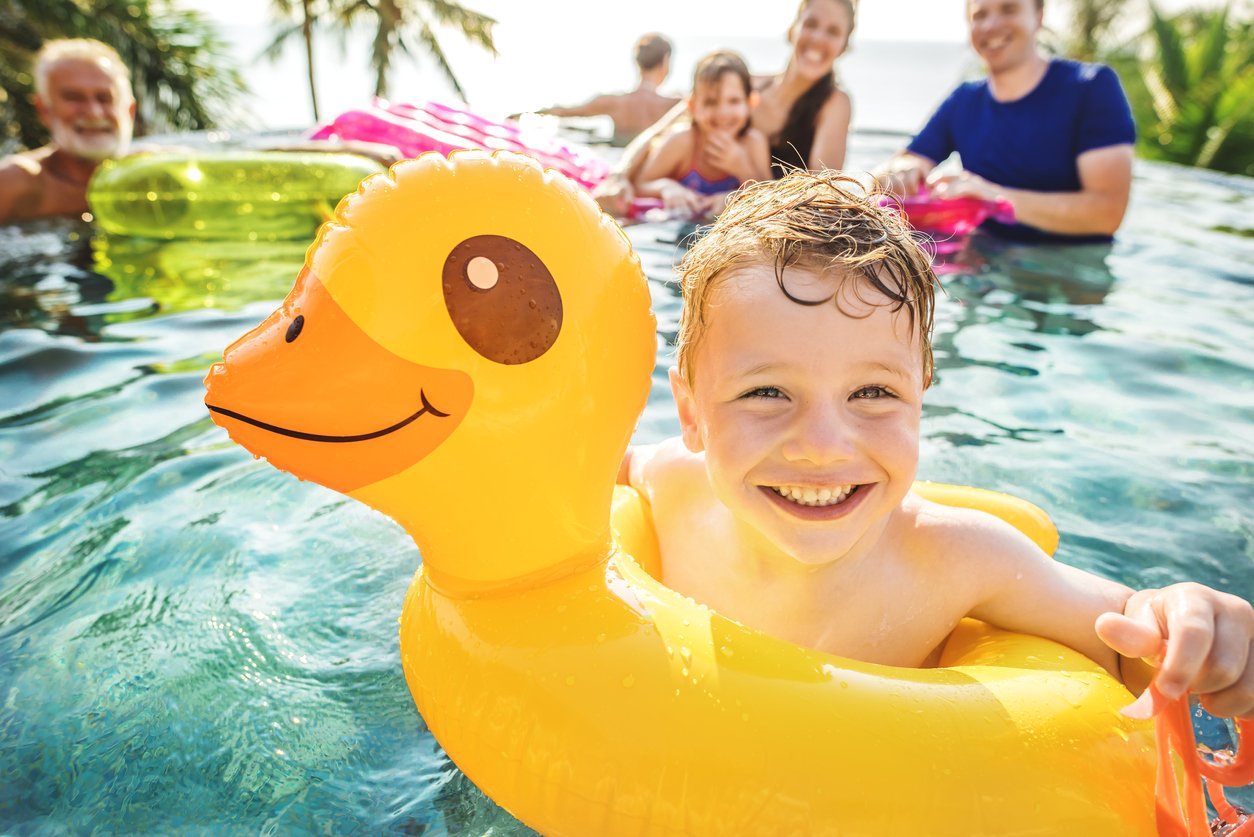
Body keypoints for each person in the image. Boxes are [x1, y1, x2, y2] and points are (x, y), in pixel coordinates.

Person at [619, 169, 1254, 721]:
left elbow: (1125, 636)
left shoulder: (956, 559)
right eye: (765, 393)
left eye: (871, 392)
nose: (819, 446)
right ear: (691, 413)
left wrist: (1192, 625)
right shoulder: (672, 487)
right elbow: (593, 470)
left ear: (921, 397)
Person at [875, 0, 1136, 243]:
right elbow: (910, 160)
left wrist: (994, 197)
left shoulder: (1091, 87)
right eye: (980, 15)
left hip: (1072, 271)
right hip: (982, 263)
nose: (990, 26)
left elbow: (1107, 213)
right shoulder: (964, 100)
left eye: (1008, 9)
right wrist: (902, 170)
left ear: (1038, 16)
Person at [595, 0, 854, 216]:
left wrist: (739, 191)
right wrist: (618, 175)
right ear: (792, 30)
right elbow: (659, 131)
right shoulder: (747, 87)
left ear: (844, 45)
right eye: (811, 24)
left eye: (832, 31)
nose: (819, 38)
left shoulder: (834, 103)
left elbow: (821, 193)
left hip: (759, 215)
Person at [0, 39, 136, 224]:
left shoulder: (161, 177)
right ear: (44, 110)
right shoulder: (14, 184)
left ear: (130, 110)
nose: (94, 113)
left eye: (105, 98)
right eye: (74, 97)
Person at [630, 51, 771, 219]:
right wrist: (667, 188)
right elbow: (639, 183)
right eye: (711, 102)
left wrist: (741, 172)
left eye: (734, 101)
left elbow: (769, 196)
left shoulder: (753, 143)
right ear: (693, 106)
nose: (723, 112)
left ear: (750, 103)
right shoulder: (683, 141)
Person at [531, 33, 681, 146]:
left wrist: (522, 115)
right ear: (665, 60)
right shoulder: (674, 106)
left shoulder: (613, 102)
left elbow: (563, 111)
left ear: (637, 62)